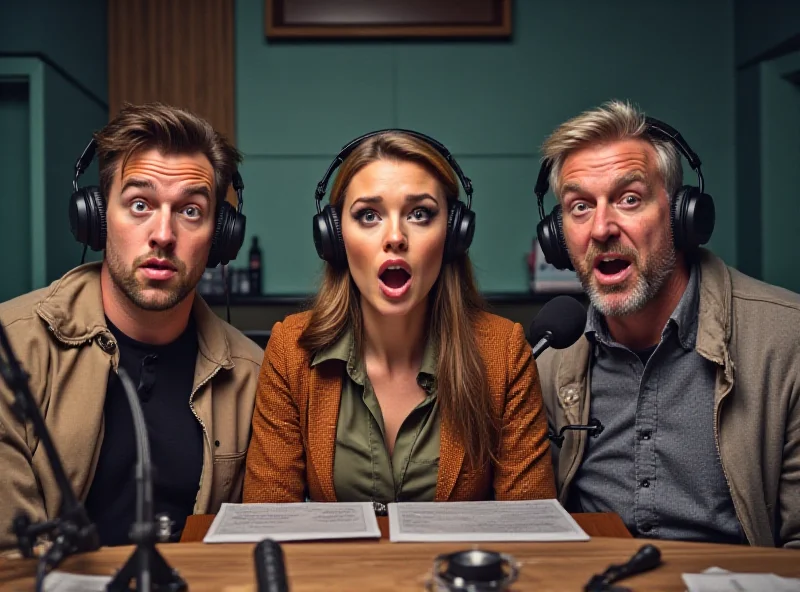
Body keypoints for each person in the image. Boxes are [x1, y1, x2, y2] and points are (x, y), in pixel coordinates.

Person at [534, 100, 800, 547]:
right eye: (579, 207)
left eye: (629, 199)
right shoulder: (550, 358)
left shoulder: (786, 343)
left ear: (683, 216)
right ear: (558, 237)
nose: (601, 228)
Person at [243, 130, 556, 509]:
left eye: (420, 214)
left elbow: (531, 530)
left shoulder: (504, 353)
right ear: (335, 237)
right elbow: (268, 523)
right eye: (368, 215)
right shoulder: (291, 350)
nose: (395, 236)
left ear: (455, 234)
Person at [0, 103, 263, 549]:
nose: (163, 233)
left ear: (221, 236)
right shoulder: (11, 347)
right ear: (98, 219)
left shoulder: (252, 375)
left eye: (191, 211)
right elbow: (11, 558)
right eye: (140, 204)